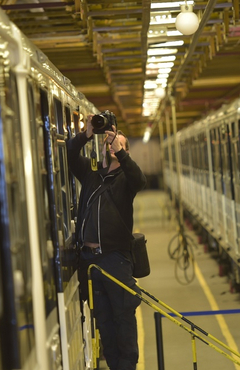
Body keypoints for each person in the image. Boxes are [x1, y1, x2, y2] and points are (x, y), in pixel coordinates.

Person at [67, 115, 146, 370]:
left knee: (123, 318)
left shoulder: (126, 180)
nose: (111, 146)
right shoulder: (91, 176)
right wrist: (87, 134)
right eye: (109, 143)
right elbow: (69, 152)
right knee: (104, 320)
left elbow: (140, 180)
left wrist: (120, 151)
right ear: (102, 149)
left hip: (115, 260)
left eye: (117, 144)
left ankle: (128, 367)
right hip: (91, 262)